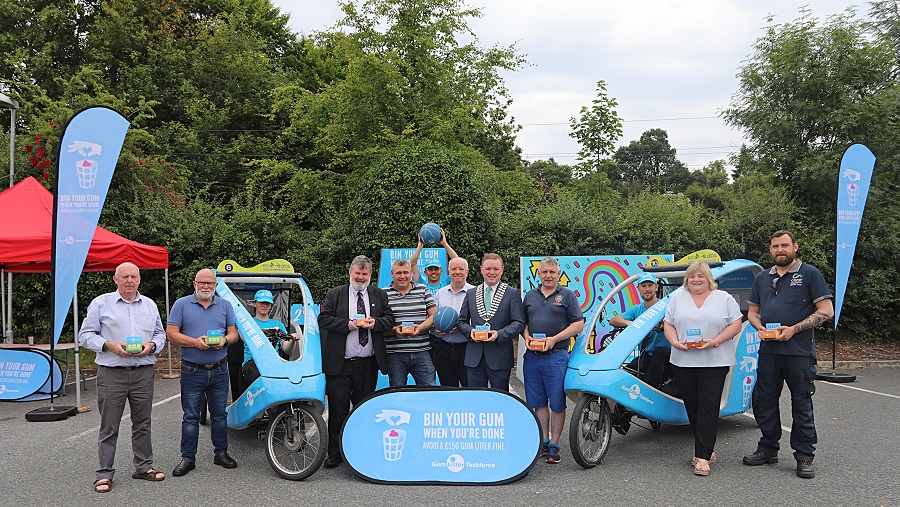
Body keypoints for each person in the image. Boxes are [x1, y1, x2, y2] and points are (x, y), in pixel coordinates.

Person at [743, 230, 833, 479]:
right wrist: (758, 326)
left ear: (795, 247)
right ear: (770, 249)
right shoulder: (762, 277)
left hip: (799, 353)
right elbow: (753, 312)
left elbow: (826, 310)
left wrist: (794, 329)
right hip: (769, 351)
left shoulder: (810, 274)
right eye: (775, 246)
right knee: (764, 402)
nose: (779, 250)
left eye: (784, 245)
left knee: (801, 404)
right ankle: (768, 448)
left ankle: (804, 456)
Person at [80, 262, 167, 493]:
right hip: (112, 373)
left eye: (134, 277)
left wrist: (152, 345)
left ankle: (143, 467)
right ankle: (104, 474)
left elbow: (160, 333)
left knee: (143, 424)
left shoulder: (149, 304)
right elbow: (85, 335)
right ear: (115, 279)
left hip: (142, 373)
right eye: (125, 276)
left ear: (139, 279)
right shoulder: (101, 303)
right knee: (109, 426)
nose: (130, 280)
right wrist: (108, 346)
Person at [663, 262, 743, 476]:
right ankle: (706, 447)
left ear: (709, 279)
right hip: (684, 361)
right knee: (693, 406)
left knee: (709, 406)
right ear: (686, 280)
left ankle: (702, 457)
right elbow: (668, 324)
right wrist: (674, 342)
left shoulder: (724, 298)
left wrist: (716, 341)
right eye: (691, 276)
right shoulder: (677, 298)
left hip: (715, 361)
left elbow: (736, 324)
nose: (696, 280)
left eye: (700, 276)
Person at [319, 255, 395, 468]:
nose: (361, 277)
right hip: (340, 364)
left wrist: (375, 322)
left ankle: (361, 452)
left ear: (370, 275)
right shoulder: (335, 294)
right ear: (350, 272)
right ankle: (335, 454)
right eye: (357, 273)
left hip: (367, 364)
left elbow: (390, 319)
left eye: (365, 274)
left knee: (363, 410)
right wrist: (348, 325)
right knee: (338, 410)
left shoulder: (379, 295)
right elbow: (323, 319)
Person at [166, 268, 240, 477]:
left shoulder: (225, 305)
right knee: (190, 416)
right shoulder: (181, 304)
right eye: (202, 282)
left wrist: (225, 340)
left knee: (219, 415)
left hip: (219, 369)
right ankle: (188, 458)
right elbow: (171, 333)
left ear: (216, 286)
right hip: (192, 370)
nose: (206, 286)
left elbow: (233, 332)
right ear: (194, 284)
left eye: (210, 283)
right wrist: (194, 343)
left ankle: (221, 453)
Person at [522, 257, 584, 464]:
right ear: (538, 274)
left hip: (556, 356)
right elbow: (523, 322)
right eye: (544, 272)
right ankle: (545, 441)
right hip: (532, 357)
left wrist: (554, 339)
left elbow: (578, 324)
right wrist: (527, 336)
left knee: (557, 403)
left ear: (558, 274)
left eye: (552, 272)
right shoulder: (530, 295)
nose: (548, 276)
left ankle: (555, 445)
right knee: (538, 402)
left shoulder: (567, 295)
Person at [608, 272, 673, 435]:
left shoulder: (667, 306)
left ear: (656, 287)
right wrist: (632, 323)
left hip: (671, 359)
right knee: (626, 372)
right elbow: (613, 320)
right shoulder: (638, 310)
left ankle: (643, 401)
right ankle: (623, 413)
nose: (647, 289)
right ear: (639, 289)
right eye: (643, 286)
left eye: (650, 285)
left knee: (658, 353)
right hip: (649, 357)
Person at [457, 253, 525, 391]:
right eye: (488, 269)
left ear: (502, 270)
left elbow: (519, 323)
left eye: (495, 269)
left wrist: (499, 334)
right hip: (474, 357)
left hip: (500, 357)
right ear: (481, 269)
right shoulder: (471, 293)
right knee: (476, 398)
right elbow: (461, 322)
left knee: (500, 398)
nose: (491, 272)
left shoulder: (511, 293)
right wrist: (471, 332)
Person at [383, 259, 437, 386]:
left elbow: (434, 315)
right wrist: (394, 331)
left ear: (411, 273)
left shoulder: (423, 289)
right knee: (397, 393)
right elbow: (380, 324)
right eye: (398, 273)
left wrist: (420, 328)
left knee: (429, 391)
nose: (403, 276)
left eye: (406, 272)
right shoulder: (383, 293)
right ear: (392, 274)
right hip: (395, 354)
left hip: (422, 351)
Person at [241, 290, 301, 384]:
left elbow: (287, 350)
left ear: (271, 306)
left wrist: (292, 340)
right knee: (262, 374)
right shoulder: (247, 323)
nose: (265, 306)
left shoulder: (278, 325)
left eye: (267, 303)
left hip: (274, 362)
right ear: (255, 304)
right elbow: (243, 338)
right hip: (253, 362)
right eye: (262, 303)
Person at [431, 257, 475, 387]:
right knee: (448, 388)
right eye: (453, 269)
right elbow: (433, 317)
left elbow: (481, 321)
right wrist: (436, 327)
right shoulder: (440, 293)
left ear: (467, 272)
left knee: (469, 387)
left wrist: (462, 326)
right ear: (448, 272)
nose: (457, 272)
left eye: (461, 269)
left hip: (467, 348)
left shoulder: (475, 292)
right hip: (444, 347)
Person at [410, 228, 459, 297]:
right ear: (425, 272)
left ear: (441, 271)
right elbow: (413, 263)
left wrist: (445, 244)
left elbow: (457, 261)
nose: (433, 272)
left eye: (436, 269)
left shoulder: (447, 283)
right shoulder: (421, 284)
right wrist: (419, 247)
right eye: (430, 269)